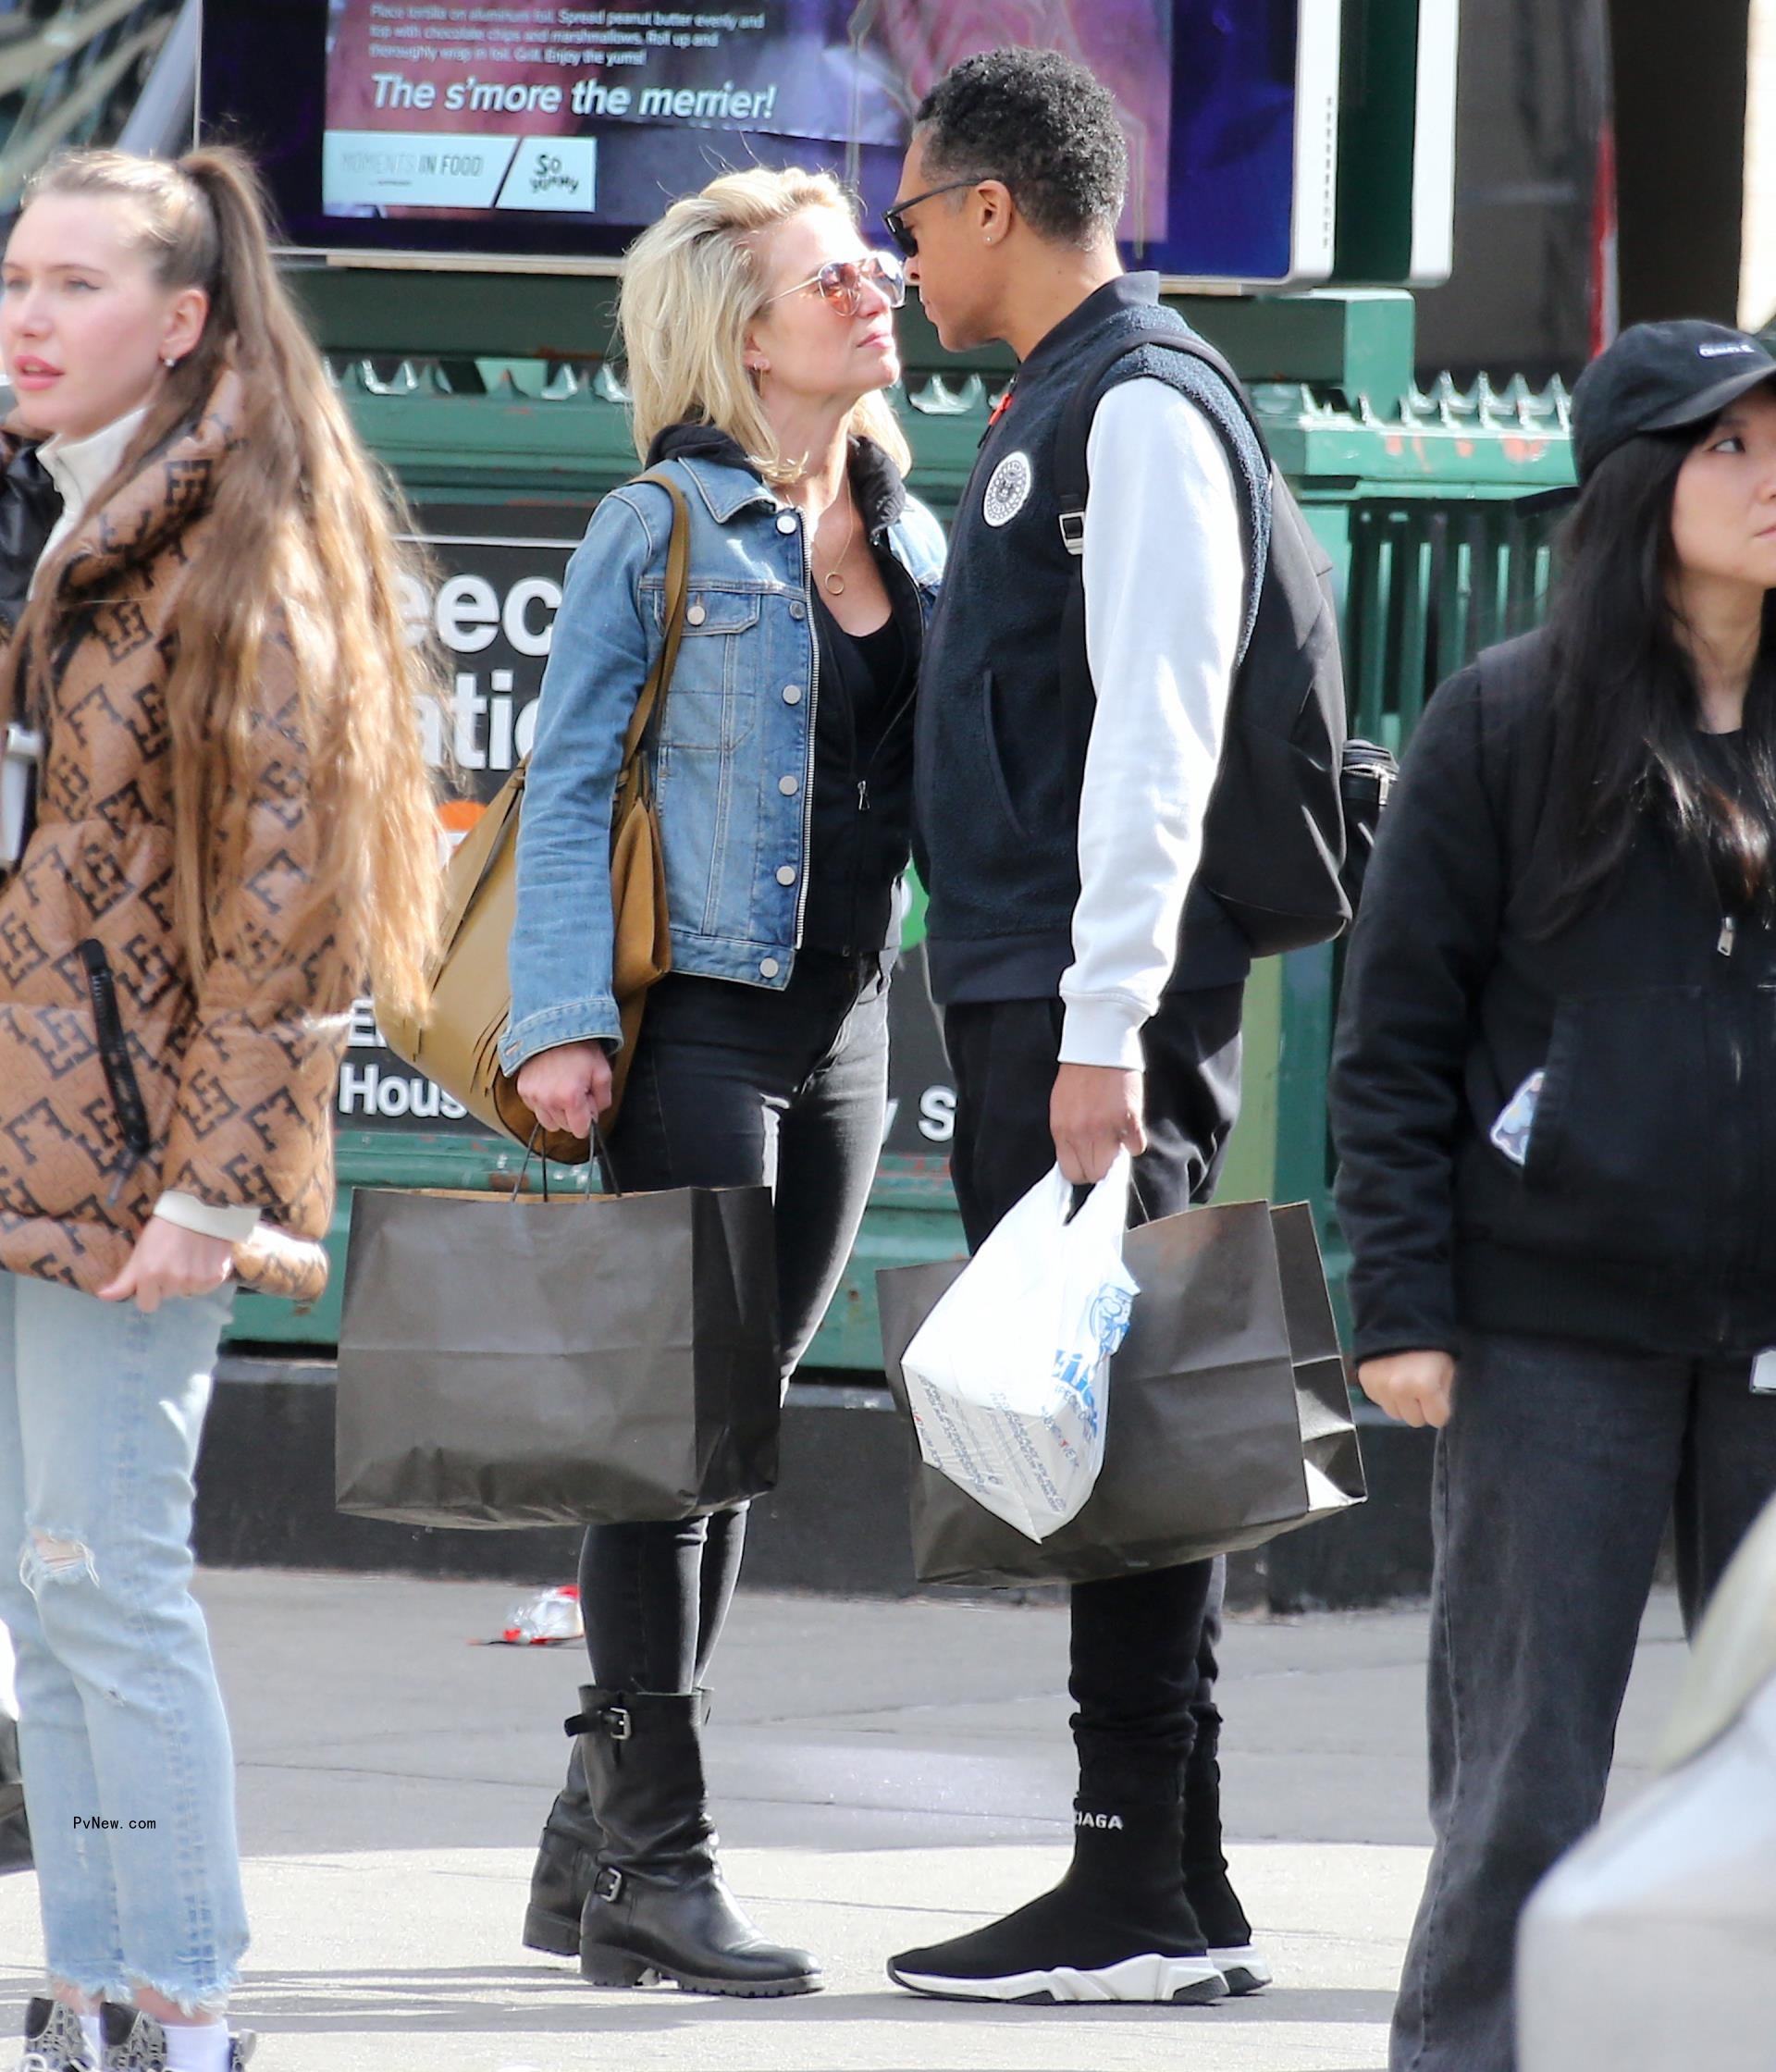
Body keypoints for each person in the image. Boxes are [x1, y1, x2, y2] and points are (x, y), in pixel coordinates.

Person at [0, 147, 441, 2072]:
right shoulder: (82, 521)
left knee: (111, 1583)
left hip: (134, 1172)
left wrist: (208, 1184)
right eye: (14, 277)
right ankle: (95, 1983)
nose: (27, 315)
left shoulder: (237, 547)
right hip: (48, 1149)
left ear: (181, 322)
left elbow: (294, 922)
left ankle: (180, 2000)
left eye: (76, 285)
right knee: (58, 1595)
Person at [503, 166, 944, 1999]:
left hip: (846, 1023)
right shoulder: (661, 525)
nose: (878, 285)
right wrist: (556, 1022)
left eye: (875, 259)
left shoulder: (914, 526)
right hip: (692, 1024)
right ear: (743, 329)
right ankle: (659, 1861)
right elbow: (564, 782)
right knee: (671, 1446)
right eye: (834, 272)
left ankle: (583, 1846)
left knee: (731, 1430)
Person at [1329, 319, 1776, 2072]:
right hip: (1550, 1335)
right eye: (1727, 445)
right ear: (1636, 483)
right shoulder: (1506, 718)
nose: (1766, 475)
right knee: (1527, 1772)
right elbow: (1395, 1039)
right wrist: (1406, 1307)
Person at [881, 47, 1272, 2006]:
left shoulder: (1138, 406)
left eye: (910, 216)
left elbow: (1161, 730)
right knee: (1117, 1413)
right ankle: (1181, 1881)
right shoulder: (1069, 395)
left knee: (1108, 1423)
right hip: (1054, 993)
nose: (901, 260)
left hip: (1088, 1010)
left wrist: (1103, 1026)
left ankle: (1121, 1882)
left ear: (991, 208)